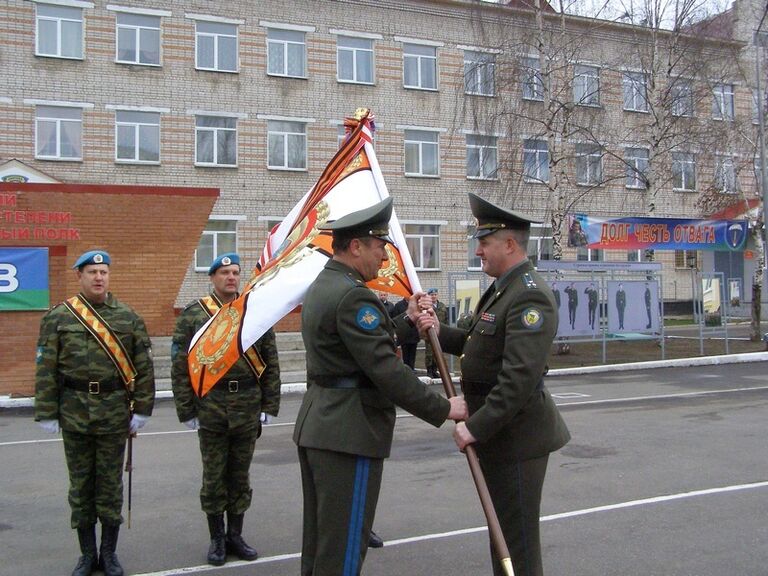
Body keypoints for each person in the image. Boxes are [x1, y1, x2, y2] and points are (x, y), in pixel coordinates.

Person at [293, 197, 467, 576]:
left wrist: (406, 320)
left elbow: (357, 349)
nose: (384, 257)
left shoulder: (328, 284)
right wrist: (444, 408)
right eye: (378, 246)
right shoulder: (353, 294)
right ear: (355, 247)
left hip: (323, 425)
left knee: (322, 544)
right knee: (343, 549)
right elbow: (385, 369)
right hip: (348, 431)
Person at [417, 193, 570, 576]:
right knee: (502, 533)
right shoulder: (503, 287)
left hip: (517, 438)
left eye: (484, 243)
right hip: (500, 437)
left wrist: (475, 428)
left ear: (509, 244)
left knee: (514, 542)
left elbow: (518, 379)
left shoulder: (529, 295)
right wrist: (434, 329)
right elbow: (473, 343)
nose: (479, 251)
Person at [35, 250, 156, 576]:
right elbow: (46, 368)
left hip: (114, 414)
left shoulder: (128, 318)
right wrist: (46, 411)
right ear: (80, 276)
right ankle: (87, 555)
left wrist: (142, 409)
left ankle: (110, 554)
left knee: (110, 486)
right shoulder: (60, 317)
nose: (99, 277)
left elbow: (144, 368)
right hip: (74, 413)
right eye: (92, 272)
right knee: (80, 487)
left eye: (103, 271)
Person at [171, 253, 281, 566]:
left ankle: (236, 535)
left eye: (235, 272)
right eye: (224, 273)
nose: (231, 278)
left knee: (240, 475)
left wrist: (269, 405)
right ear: (212, 278)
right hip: (211, 406)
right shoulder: (195, 315)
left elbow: (270, 361)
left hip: (247, 406)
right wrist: (186, 410)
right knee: (214, 477)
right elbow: (181, 367)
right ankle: (216, 539)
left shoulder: (253, 312)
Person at [424, 287, 448, 378]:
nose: (434, 296)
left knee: (437, 352)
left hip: (439, 332)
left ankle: (435, 370)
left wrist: (444, 331)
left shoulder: (442, 306)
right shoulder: (426, 306)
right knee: (429, 353)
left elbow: (446, 319)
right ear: (429, 296)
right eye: (431, 295)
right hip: (429, 332)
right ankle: (429, 370)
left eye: (435, 294)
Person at [392, 295, 419, 368]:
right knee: (405, 354)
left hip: (414, 334)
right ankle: (407, 369)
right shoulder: (398, 305)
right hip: (404, 335)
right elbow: (395, 319)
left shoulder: (416, 304)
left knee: (413, 354)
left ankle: (412, 369)